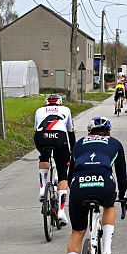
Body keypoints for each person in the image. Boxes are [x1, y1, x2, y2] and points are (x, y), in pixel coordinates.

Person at [62, 116, 127, 254]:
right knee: (109, 205)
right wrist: (122, 195)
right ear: (108, 132)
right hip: (104, 184)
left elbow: (70, 174)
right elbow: (121, 176)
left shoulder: (79, 144)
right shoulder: (115, 143)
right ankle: (106, 252)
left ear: (89, 131)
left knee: (77, 232)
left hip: (79, 186)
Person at [34, 94, 75, 226]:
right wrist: (73, 151)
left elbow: (36, 129)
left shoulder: (39, 110)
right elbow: (70, 132)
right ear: (60, 103)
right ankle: (61, 211)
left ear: (47, 103)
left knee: (44, 156)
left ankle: (42, 187)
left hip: (41, 137)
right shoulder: (66, 110)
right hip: (59, 139)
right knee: (63, 174)